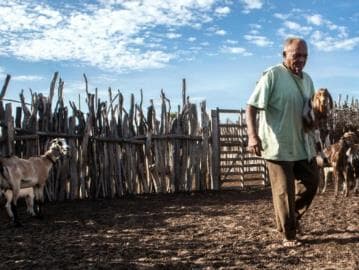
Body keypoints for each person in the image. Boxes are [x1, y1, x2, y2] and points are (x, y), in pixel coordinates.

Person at [245, 37, 319, 247]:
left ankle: (289, 217)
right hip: (278, 145)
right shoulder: (273, 75)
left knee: (312, 183)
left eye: (305, 56)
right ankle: (289, 235)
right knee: (285, 192)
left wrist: (317, 116)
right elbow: (250, 107)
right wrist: (252, 136)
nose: (301, 60)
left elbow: (310, 110)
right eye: (296, 55)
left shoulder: (308, 80)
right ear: (285, 55)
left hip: (303, 145)